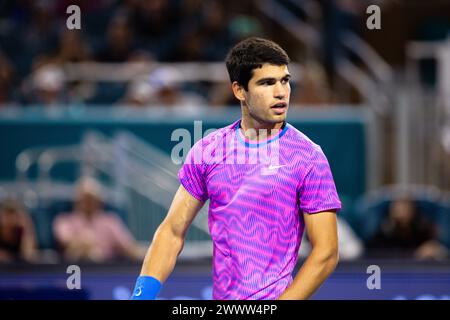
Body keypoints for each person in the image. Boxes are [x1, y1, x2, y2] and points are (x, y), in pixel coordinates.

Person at [131, 37, 341, 300]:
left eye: (285, 81)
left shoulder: (308, 157)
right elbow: (172, 231)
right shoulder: (208, 151)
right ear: (239, 90)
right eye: (266, 83)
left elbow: (326, 252)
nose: (280, 92)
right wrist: (141, 297)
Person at [53, 176, 146, 263]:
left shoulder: (111, 221)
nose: (87, 203)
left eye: (91, 199)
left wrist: (147, 254)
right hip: (72, 273)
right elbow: (65, 241)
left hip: (104, 273)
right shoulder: (64, 221)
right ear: (77, 200)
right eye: (84, 198)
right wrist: (84, 244)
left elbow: (128, 247)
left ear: (99, 201)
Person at [367, 197, 448, 260]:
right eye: (398, 209)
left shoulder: (423, 230)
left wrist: (436, 249)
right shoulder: (383, 233)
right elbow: (371, 253)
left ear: (412, 211)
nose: (402, 213)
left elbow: (440, 250)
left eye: (405, 208)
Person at [0, 199, 38, 263]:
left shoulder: (21, 230)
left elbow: (28, 255)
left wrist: (27, 226)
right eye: (7, 216)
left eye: (14, 216)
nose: (11, 220)